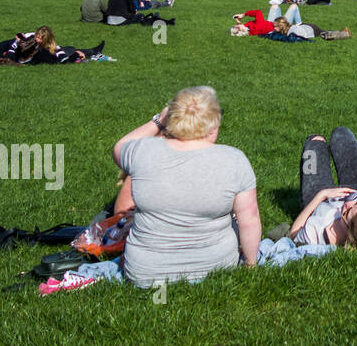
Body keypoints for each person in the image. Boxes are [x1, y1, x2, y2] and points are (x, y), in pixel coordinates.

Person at [111, 86, 260, 287]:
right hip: (217, 267)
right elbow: (249, 220)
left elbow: (119, 147)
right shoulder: (234, 159)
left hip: (146, 273)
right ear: (213, 123)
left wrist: (157, 121)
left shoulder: (143, 151)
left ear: (171, 118)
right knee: (234, 216)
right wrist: (251, 264)